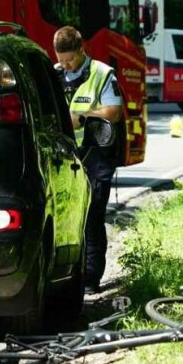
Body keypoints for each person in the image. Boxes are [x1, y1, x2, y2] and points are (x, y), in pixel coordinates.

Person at [53, 26, 123, 295]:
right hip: (63, 155)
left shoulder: (102, 73)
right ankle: (67, 273)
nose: (66, 65)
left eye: (70, 59)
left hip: (96, 154)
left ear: (82, 51)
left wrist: (82, 117)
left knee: (92, 215)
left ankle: (91, 277)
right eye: (61, 59)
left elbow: (114, 111)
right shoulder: (54, 73)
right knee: (64, 215)